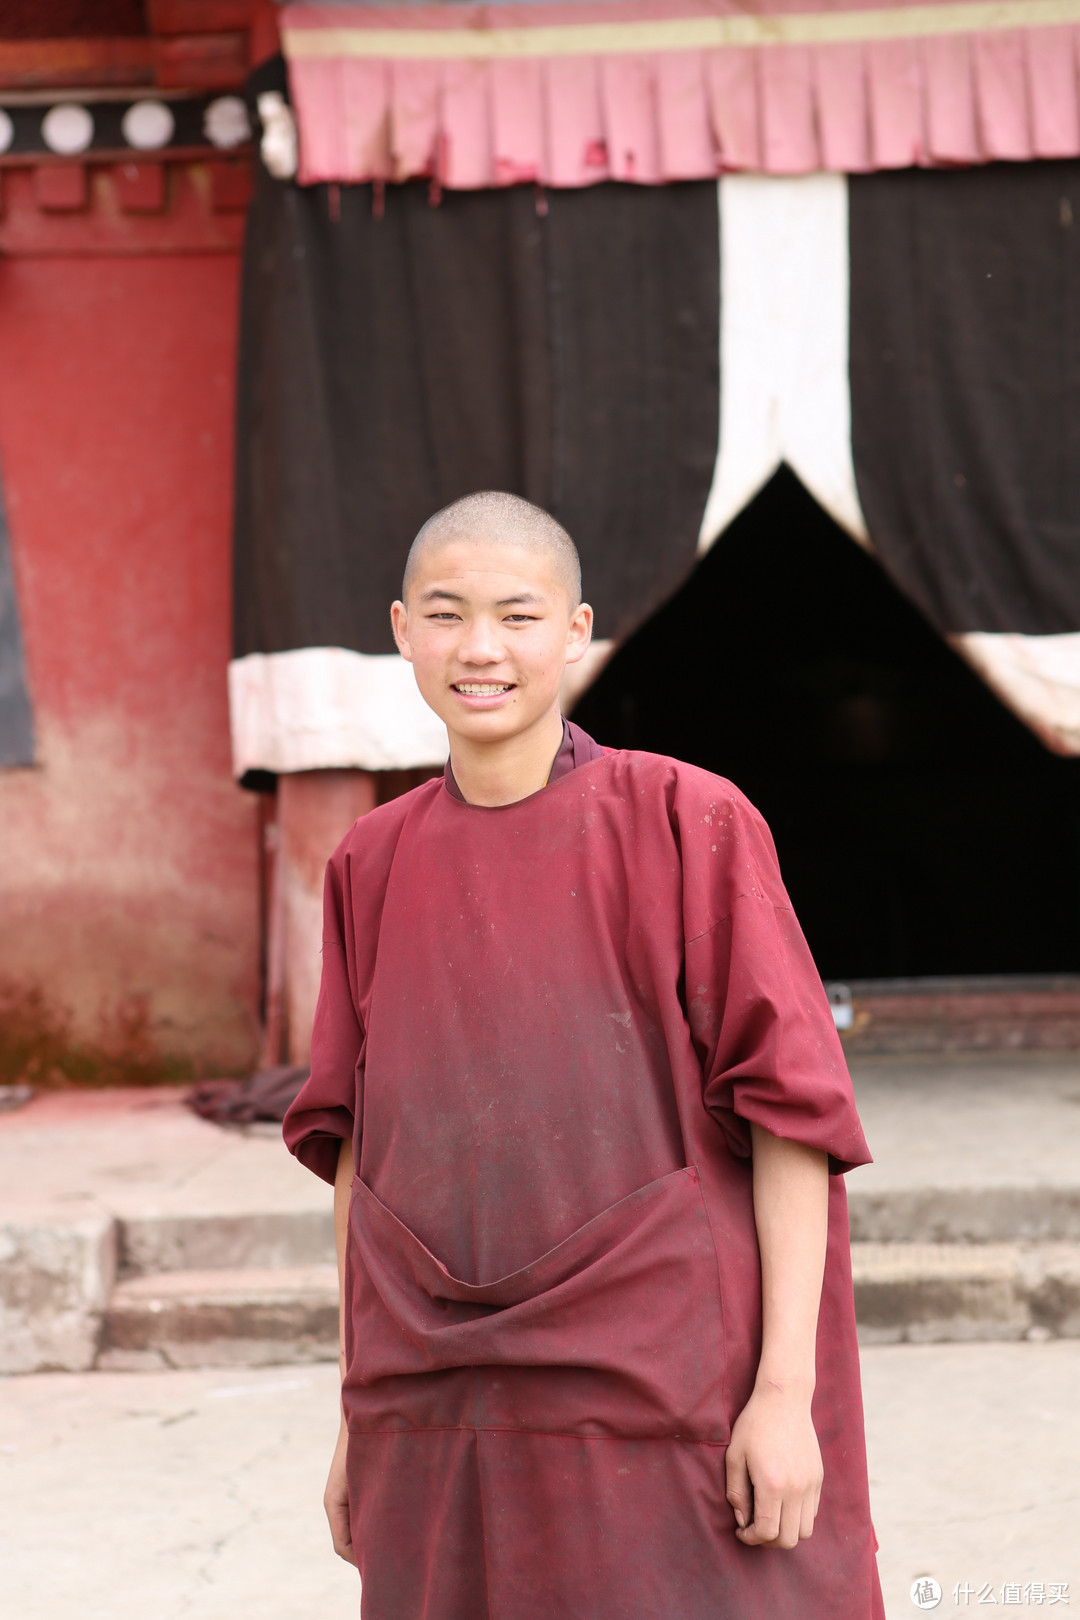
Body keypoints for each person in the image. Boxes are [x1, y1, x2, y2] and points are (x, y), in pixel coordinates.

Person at [283, 491, 884, 1619]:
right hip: (441, 1391)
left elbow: (793, 1118)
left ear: (576, 631)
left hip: (669, 1384)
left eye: (517, 616)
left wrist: (785, 1396)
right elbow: (361, 1152)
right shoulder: (371, 862)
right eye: (450, 615)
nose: (480, 650)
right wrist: (362, 1408)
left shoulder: (686, 819)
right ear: (402, 628)